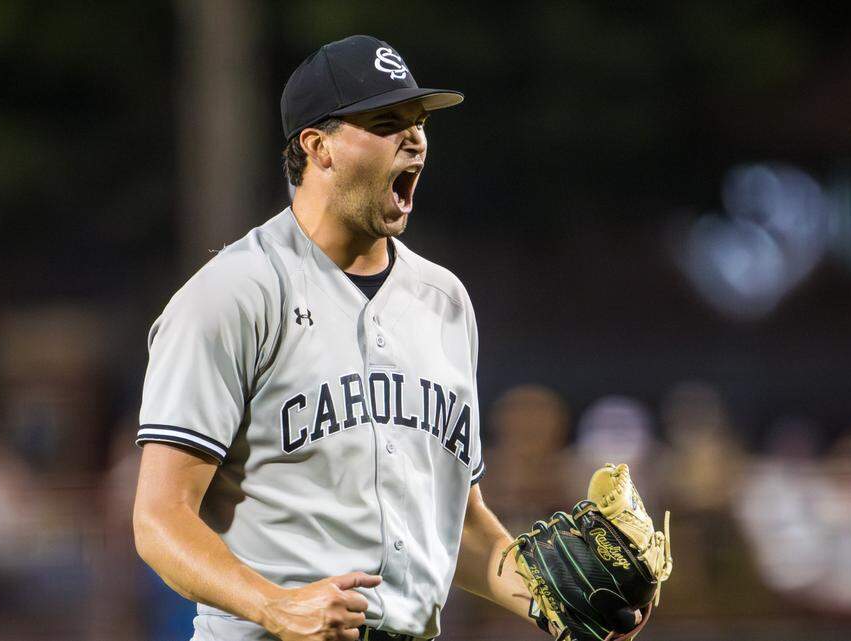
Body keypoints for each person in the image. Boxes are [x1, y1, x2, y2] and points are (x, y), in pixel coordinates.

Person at [132, 35, 546, 641]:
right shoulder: (234, 293)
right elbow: (159, 518)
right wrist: (273, 604)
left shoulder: (445, 301)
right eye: (385, 122)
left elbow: (453, 520)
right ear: (317, 146)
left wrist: (555, 604)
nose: (415, 139)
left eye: (418, 121)